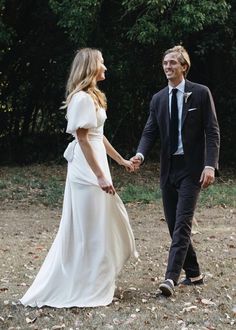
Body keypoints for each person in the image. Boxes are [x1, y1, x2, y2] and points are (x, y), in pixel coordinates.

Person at [20, 48, 138, 308]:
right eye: (102, 63)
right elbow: (83, 139)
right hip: (86, 172)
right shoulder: (82, 99)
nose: (105, 67)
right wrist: (98, 176)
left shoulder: (94, 96)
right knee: (88, 229)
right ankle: (81, 284)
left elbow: (98, 135)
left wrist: (120, 161)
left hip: (98, 167)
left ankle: (95, 279)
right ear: (91, 67)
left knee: (100, 225)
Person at [131, 45, 220, 297]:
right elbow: (150, 131)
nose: (168, 67)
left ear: (184, 66)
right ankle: (194, 274)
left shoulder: (201, 93)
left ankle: (170, 278)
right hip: (168, 170)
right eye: (165, 63)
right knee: (173, 225)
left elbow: (213, 132)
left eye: (173, 63)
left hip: (192, 170)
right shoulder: (158, 99)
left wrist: (209, 164)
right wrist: (140, 154)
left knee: (182, 224)